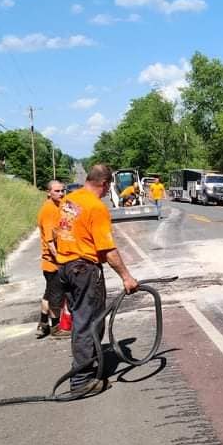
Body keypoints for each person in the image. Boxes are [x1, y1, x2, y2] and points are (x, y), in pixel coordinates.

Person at [56, 164, 139, 394]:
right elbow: (108, 250)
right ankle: (81, 380)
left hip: (65, 267)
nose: (106, 191)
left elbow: (60, 233)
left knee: (81, 322)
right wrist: (126, 277)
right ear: (104, 184)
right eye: (107, 187)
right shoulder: (96, 207)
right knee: (89, 323)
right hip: (84, 270)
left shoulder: (68, 201)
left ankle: (83, 371)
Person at [36, 180, 66, 338]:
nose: (61, 193)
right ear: (49, 192)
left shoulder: (57, 206)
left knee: (49, 294)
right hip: (52, 263)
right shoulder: (49, 210)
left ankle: (43, 324)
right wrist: (59, 259)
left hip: (50, 263)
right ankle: (56, 328)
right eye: (57, 191)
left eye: (62, 190)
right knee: (56, 297)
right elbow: (49, 241)